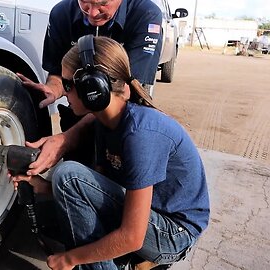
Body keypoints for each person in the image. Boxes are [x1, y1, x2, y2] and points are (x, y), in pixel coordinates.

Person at [13, 36, 209, 270]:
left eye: (67, 85)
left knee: (69, 175)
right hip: (148, 216)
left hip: (173, 233)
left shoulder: (140, 133)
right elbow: (98, 191)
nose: (63, 93)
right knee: (56, 199)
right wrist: (44, 186)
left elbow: (132, 236)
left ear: (92, 88)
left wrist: (69, 259)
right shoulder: (104, 122)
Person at [18, 0, 163, 173]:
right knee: (71, 175)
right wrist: (55, 89)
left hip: (120, 117)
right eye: (85, 2)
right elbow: (57, 72)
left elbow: (125, 93)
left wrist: (67, 139)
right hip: (79, 113)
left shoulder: (146, 15)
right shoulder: (61, 13)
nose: (92, 13)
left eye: (103, 3)